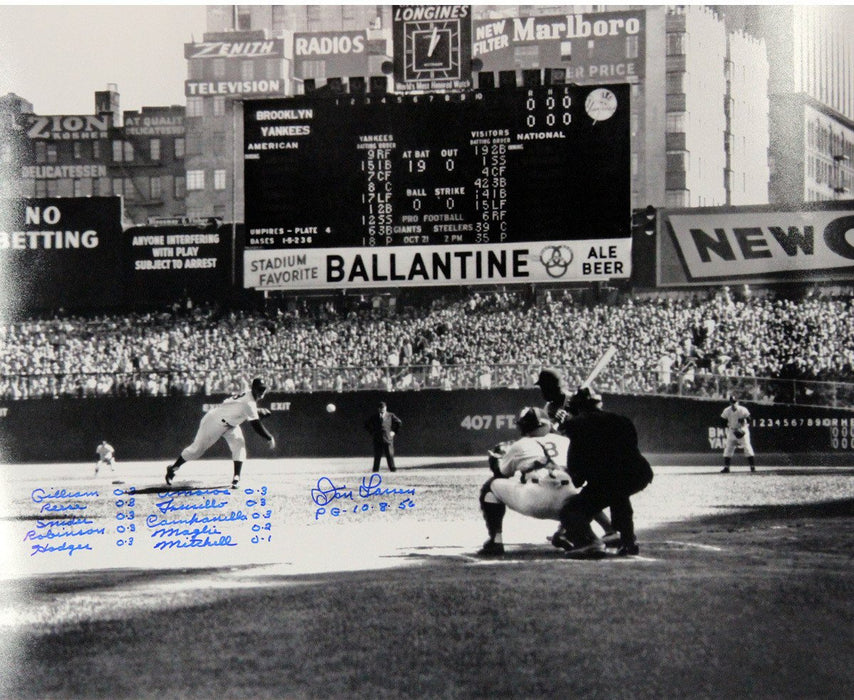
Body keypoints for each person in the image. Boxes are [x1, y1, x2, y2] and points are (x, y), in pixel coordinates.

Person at [478, 406, 618, 557]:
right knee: (582, 494)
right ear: (546, 424)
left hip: (534, 499)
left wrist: (496, 460)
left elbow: (501, 473)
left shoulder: (520, 445)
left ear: (522, 427)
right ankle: (595, 533)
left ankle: (495, 541)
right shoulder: (566, 441)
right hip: (568, 501)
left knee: (491, 486)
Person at [555, 387, 654, 559]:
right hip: (639, 473)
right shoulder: (622, 420)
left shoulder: (576, 425)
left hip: (609, 479)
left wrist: (565, 425)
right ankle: (628, 541)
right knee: (618, 495)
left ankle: (589, 543)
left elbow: (577, 475)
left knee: (570, 511)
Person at [165, 377, 276, 489]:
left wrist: (257, 411)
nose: (261, 392)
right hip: (214, 421)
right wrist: (269, 437)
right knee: (196, 450)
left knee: (239, 445)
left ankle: (236, 477)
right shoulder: (249, 402)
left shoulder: (249, 397)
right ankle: (173, 468)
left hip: (231, 425)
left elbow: (239, 408)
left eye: (263, 389)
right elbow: (255, 424)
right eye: (259, 389)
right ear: (253, 389)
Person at [720, 394, 755, 473]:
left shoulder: (743, 409)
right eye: (732, 402)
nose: (733, 404)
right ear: (730, 403)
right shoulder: (727, 410)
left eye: (735, 402)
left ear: (738, 402)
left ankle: (752, 467)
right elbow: (722, 421)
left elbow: (749, 419)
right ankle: (726, 468)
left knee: (747, 447)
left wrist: (744, 421)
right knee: (728, 448)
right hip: (732, 431)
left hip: (743, 430)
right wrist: (728, 426)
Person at [364, 401, 402, 472]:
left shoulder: (390, 415)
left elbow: (399, 422)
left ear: (386, 408)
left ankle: (392, 469)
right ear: (378, 409)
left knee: (390, 455)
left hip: (388, 439)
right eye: (381, 408)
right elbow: (366, 424)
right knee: (377, 456)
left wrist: (394, 432)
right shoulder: (374, 417)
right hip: (378, 439)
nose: (382, 409)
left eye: (383, 408)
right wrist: (372, 432)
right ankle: (375, 470)